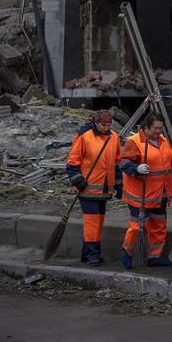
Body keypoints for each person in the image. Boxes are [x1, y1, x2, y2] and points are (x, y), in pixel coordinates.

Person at [118, 113, 172, 268]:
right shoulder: (134, 142)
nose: (158, 132)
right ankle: (127, 252)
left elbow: (171, 167)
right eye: (155, 129)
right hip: (140, 194)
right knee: (137, 226)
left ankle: (154, 257)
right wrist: (135, 168)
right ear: (145, 127)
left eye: (160, 128)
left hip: (161, 193)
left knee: (159, 226)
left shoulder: (163, 141)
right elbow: (123, 163)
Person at [65, 109, 121, 266]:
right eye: (103, 125)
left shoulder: (114, 137)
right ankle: (93, 255)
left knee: (98, 222)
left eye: (108, 125)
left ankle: (86, 254)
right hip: (88, 189)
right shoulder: (84, 136)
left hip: (104, 189)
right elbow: (72, 163)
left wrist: (118, 186)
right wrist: (78, 181)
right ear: (95, 123)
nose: (106, 128)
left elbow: (116, 163)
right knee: (92, 223)